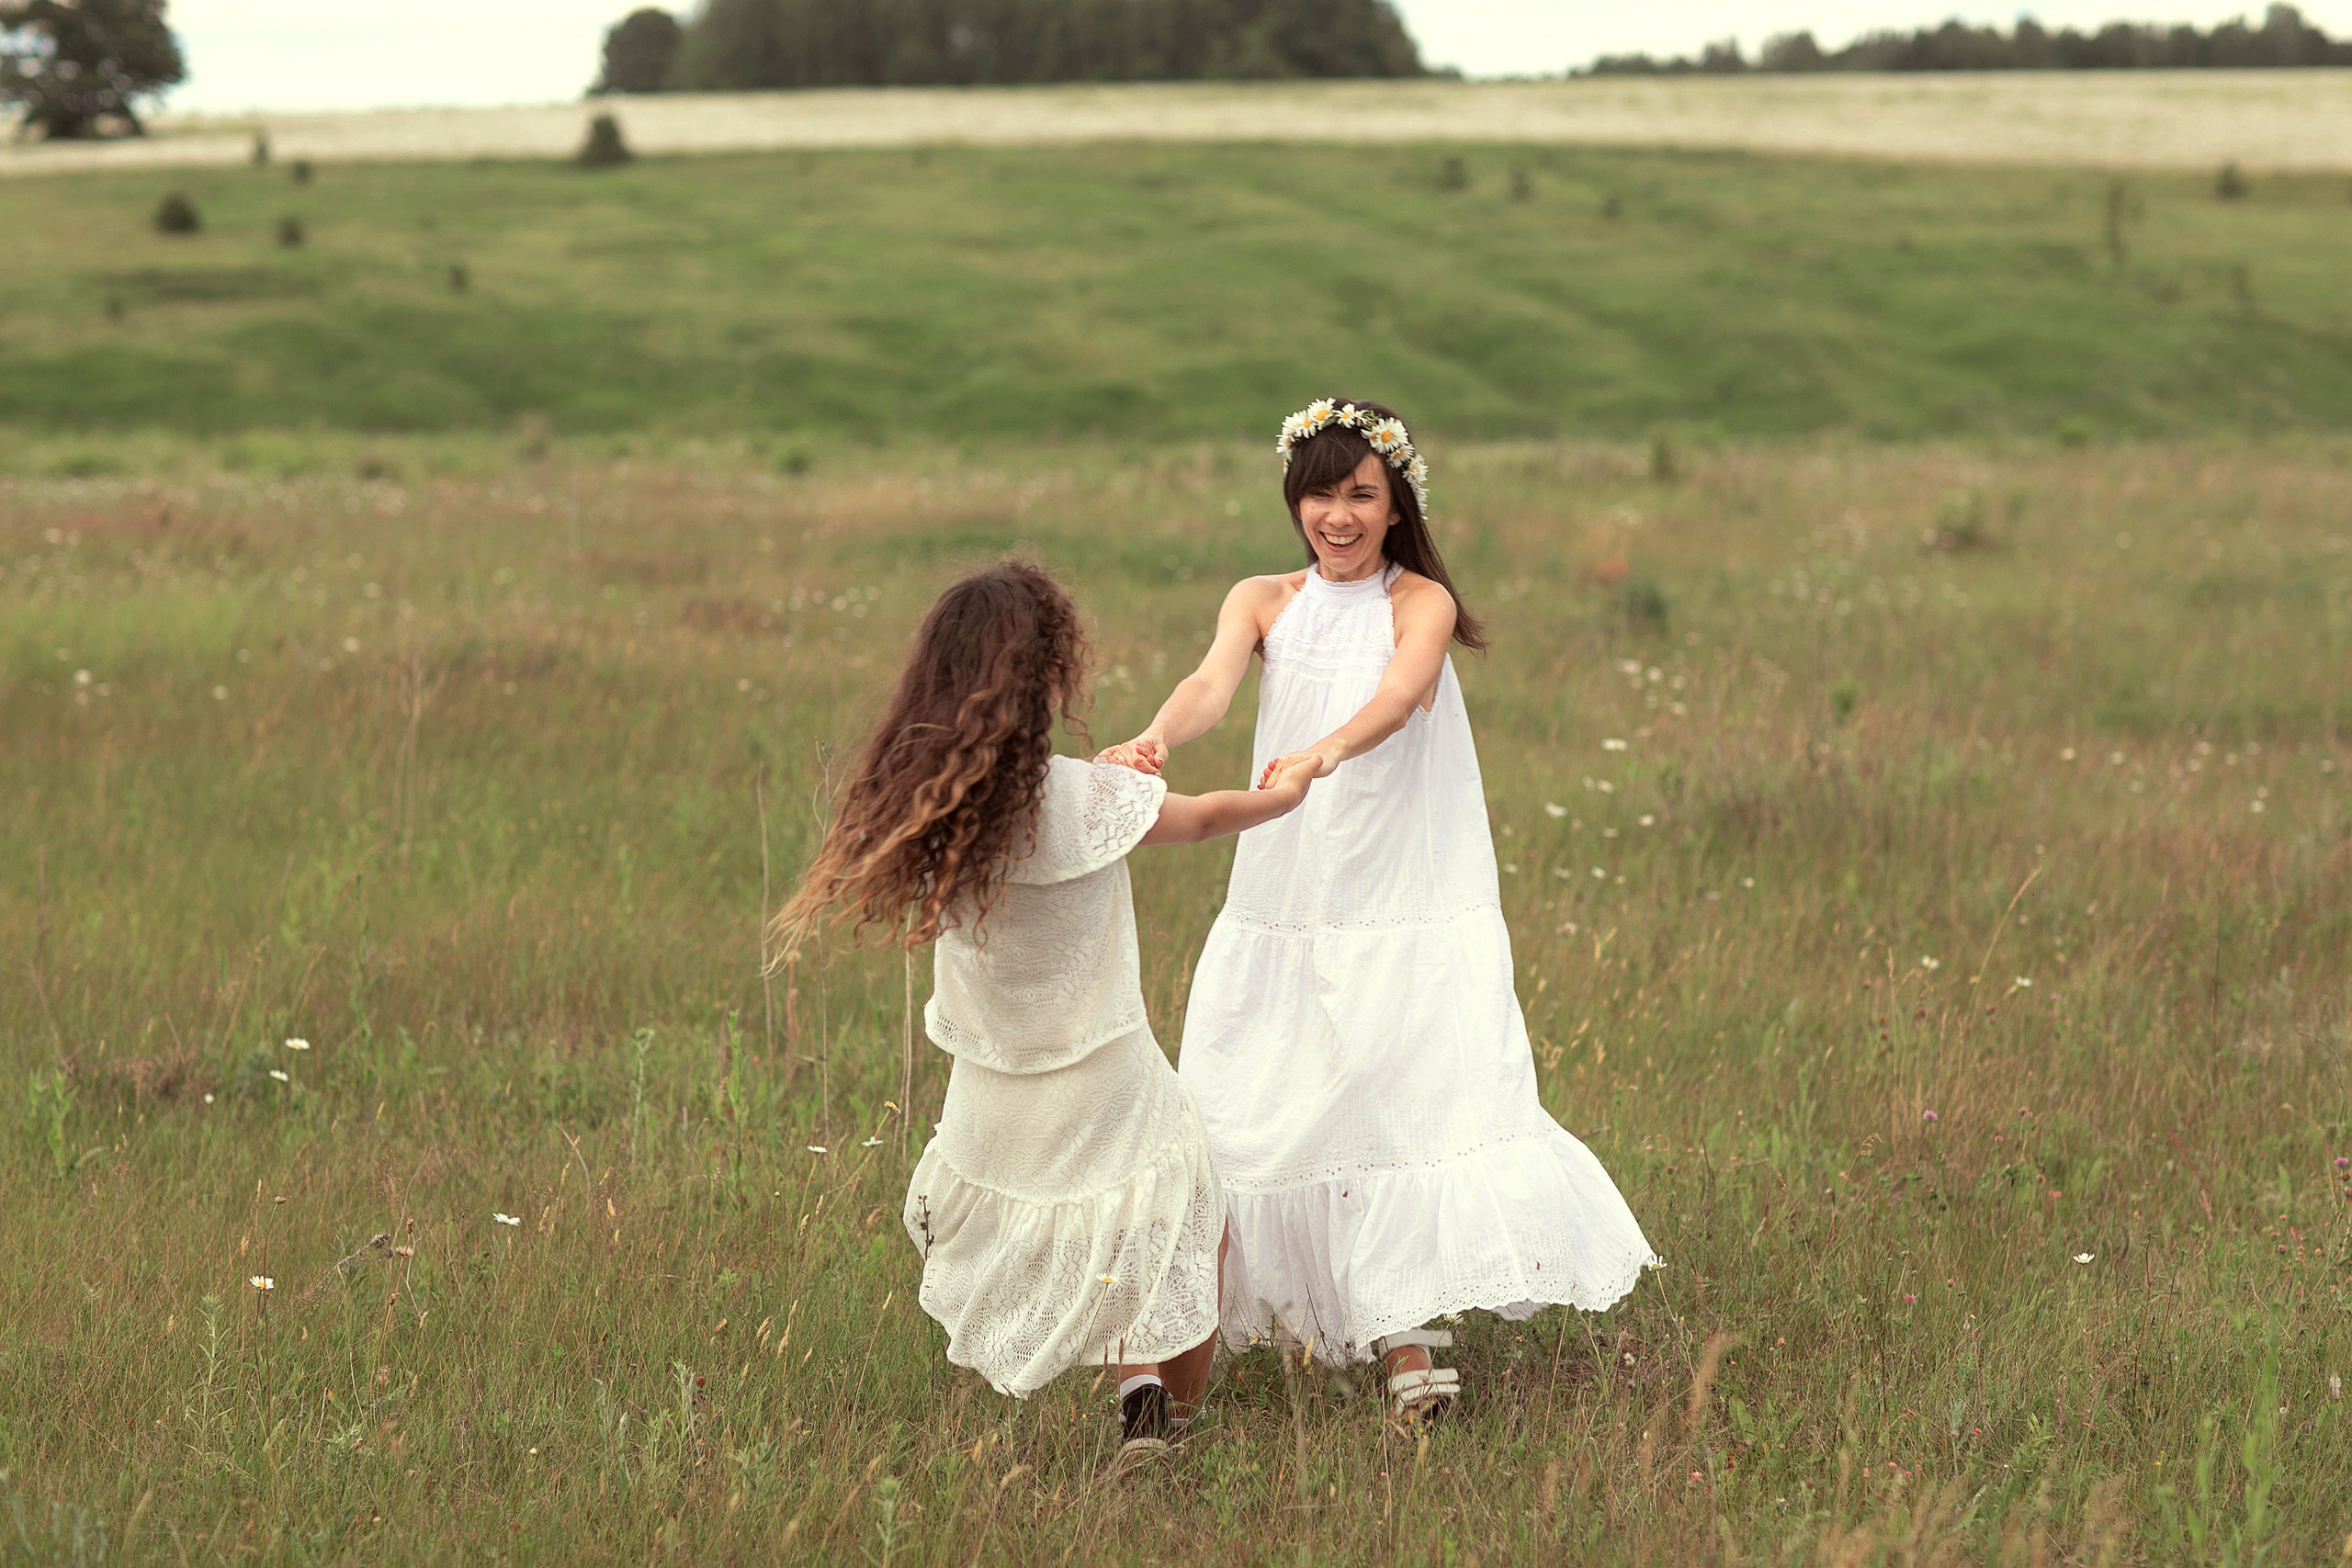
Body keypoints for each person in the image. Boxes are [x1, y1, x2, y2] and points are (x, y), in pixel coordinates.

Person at [1100, 399, 1656, 1423]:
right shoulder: (1262, 598)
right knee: (1258, 1083)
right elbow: (1208, 683)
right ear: (1295, 502)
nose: (1339, 515)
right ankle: (1180, 1345)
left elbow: (1401, 695)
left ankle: (1407, 1327)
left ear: (1397, 504)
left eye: (1362, 494)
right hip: (1289, 881)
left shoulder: (1421, 601)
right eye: (1321, 495)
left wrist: (1324, 750)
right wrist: (1155, 739)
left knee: (1396, 1078)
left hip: (1401, 882)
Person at [772, 559, 1317, 1471]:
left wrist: (1120, 783)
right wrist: (1283, 795)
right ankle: (1160, 1414)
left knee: (1093, 1225)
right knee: (1185, 1216)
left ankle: (1138, 1389)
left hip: (996, 1088)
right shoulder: (1083, 797)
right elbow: (1202, 818)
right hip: (1107, 1069)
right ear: (1047, 680)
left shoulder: (931, 809)